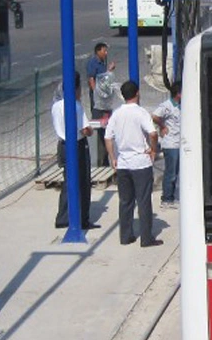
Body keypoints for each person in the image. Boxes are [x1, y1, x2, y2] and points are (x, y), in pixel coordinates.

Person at [105, 79, 161, 247]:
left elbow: (108, 137)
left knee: (125, 201)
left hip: (123, 163)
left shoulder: (117, 114)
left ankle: (126, 235)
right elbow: (152, 133)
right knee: (143, 201)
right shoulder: (141, 113)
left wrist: (112, 156)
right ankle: (146, 237)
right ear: (137, 93)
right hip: (140, 163)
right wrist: (153, 150)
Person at [52, 72, 97, 230]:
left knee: (68, 181)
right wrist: (90, 130)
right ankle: (82, 218)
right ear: (77, 89)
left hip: (62, 146)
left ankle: (63, 216)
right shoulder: (76, 106)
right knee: (83, 182)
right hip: (77, 145)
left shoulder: (56, 106)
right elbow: (85, 130)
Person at [86, 41, 115, 166]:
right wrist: (97, 95)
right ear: (98, 51)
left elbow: (104, 79)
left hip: (105, 101)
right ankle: (100, 161)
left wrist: (109, 70)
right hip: (99, 103)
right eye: (104, 50)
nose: (106, 53)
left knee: (107, 127)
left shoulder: (102, 63)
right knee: (100, 128)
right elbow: (92, 80)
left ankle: (105, 158)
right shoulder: (93, 63)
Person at [152, 81, 181, 205]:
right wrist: (162, 126)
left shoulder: (182, 105)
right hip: (170, 143)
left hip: (179, 142)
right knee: (171, 172)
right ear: (178, 94)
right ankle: (167, 198)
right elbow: (154, 116)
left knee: (177, 171)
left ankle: (172, 195)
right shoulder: (167, 105)